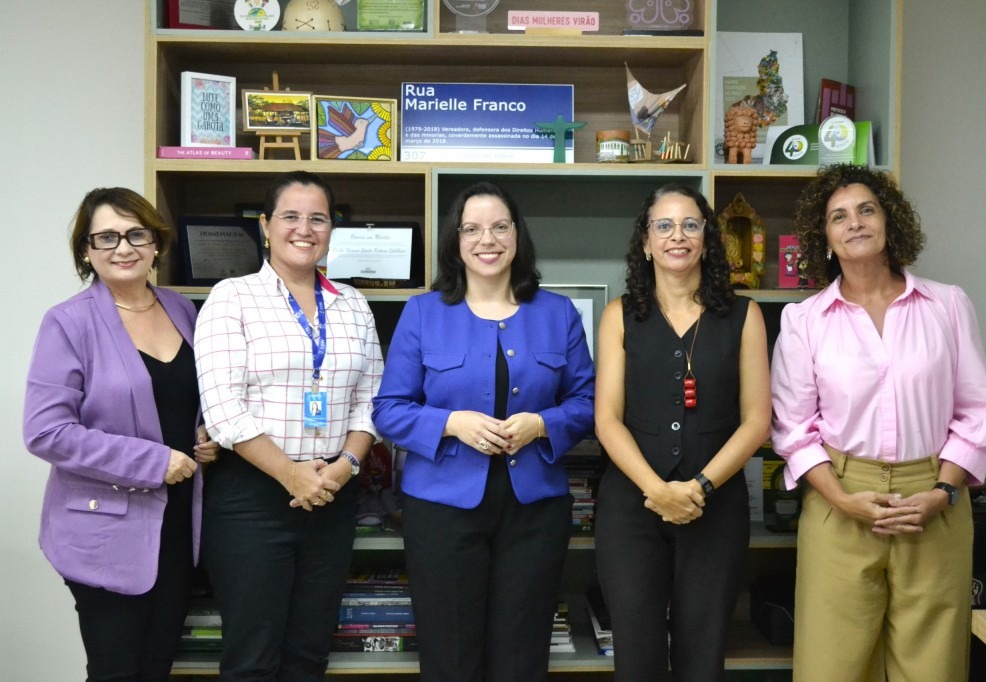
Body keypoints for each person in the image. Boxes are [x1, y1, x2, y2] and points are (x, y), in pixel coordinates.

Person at [771, 164, 986, 681]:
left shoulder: (947, 304)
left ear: (888, 220)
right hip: (839, 499)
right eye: (838, 216)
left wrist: (942, 492)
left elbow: (977, 411)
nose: (854, 223)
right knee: (831, 666)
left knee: (933, 666)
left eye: (866, 210)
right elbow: (793, 429)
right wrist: (842, 499)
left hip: (934, 501)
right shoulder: (803, 321)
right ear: (824, 237)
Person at [372, 181, 595, 682]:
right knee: (450, 656)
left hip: (535, 510)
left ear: (518, 236)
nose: (486, 239)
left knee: (521, 655)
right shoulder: (423, 312)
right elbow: (388, 410)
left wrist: (542, 424)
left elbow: (589, 403)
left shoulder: (558, 313)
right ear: (455, 241)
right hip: (441, 510)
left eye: (499, 227)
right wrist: (451, 423)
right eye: (471, 229)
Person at [23, 187, 217, 681]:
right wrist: (155, 461)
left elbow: (187, 399)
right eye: (107, 237)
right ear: (86, 250)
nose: (124, 247)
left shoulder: (183, 309)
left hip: (177, 523)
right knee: (115, 672)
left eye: (136, 234)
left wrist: (206, 434)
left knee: (157, 668)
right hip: (104, 530)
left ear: (156, 243)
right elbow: (46, 431)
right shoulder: (68, 322)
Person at [195, 171, 382, 681]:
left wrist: (345, 466)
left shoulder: (353, 304)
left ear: (331, 228)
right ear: (265, 225)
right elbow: (224, 409)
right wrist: (291, 474)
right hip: (252, 498)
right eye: (291, 217)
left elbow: (371, 401)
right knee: (252, 658)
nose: (304, 229)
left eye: (317, 218)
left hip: (332, 493)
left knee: (309, 653)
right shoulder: (231, 297)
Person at [593, 183, 771, 681]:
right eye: (664, 226)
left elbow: (757, 420)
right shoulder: (619, 315)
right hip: (632, 508)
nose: (678, 235)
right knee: (637, 655)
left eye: (691, 225)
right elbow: (606, 418)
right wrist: (656, 490)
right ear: (646, 242)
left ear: (707, 239)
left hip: (714, 506)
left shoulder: (744, 315)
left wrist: (700, 486)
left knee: (703, 655)